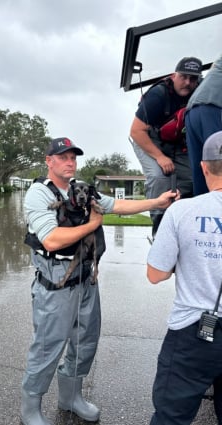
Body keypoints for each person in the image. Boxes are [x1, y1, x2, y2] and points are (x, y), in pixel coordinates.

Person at [21, 137, 178, 425]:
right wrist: (93, 225)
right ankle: (31, 408)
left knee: (86, 340)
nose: (70, 162)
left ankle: (71, 397)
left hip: (85, 279)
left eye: (73, 157)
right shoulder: (39, 194)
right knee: (47, 346)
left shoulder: (83, 190)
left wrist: (156, 201)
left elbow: (117, 205)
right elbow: (51, 240)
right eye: (63, 157)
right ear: (49, 161)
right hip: (56, 281)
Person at [146, 130, 222, 425]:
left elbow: (155, 274)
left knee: (171, 418)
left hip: (193, 332)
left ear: (203, 167)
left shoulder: (182, 211)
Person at [129, 56, 202, 238]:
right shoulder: (158, 95)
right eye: (183, 77)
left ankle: (184, 225)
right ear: (173, 76)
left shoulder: (201, 91)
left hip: (176, 142)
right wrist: (160, 157)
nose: (187, 83)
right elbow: (136, 131)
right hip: (147, 139)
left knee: (195, 176)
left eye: (193, 79)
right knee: (159, 176)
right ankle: (159, 229)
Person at [185, 53, 222, 196]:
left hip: (193, 110)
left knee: (202, 167)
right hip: (213, 106)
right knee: (217, 164)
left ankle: (200, 210)